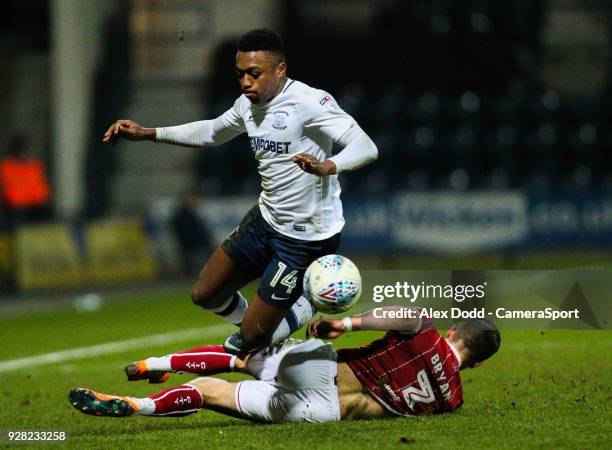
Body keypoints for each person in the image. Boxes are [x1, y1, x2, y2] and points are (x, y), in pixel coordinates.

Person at [102, 29, 378, 355]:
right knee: (205, 294)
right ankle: (268, 326)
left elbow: (366, 146)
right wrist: (149, 133)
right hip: (264, 220)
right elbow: (213, 132)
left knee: (245, 343)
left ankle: (300, 305)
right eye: (241, 74)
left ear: (280, 69)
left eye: (254, 73)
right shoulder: (247, 105)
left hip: (305, 238)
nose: (246, 82)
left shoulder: (310, 102)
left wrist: (328, 165)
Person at [69, 307, 501, 422]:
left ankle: (156, 364)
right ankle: (136, 405)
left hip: (322, 371)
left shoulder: (426, 331)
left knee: (245, 355)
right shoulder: (453, 400)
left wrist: (348, 322)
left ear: (451, 331)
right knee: (207, 393)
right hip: (322, 414)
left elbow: (405, 316)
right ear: (476, 365)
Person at [0, 134, 52, 227]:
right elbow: (10, 193)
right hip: (16, 210)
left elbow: (42, 190)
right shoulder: (7, 167)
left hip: (36, 209)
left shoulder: (34, 166)